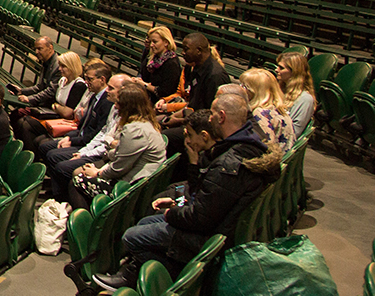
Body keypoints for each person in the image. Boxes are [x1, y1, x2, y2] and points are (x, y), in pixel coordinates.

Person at [92, 95, 278, 290]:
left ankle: (155, 280)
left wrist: (172, 213)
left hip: (208, 237)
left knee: (131, 236)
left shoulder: (228, 163)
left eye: (212, 114)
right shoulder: (250, 145)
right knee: (146, 222)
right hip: (214, 226)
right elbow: (207, 198)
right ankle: (133, 272)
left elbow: (201, 218)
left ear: (221, 117)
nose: (210, 118)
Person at [66, 84, 166, 210]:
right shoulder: (145, 122)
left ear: (127, 106)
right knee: (81, 171)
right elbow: (120, 155)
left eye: (119, 103)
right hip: (132, 178)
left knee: (77, 181)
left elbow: (119, 167)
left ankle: (91, 227)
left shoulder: (135, 130)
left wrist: (97, 173)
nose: (116, 106)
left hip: (130, 188)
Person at [43, 74, 133, 199]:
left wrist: (87, 156)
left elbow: (114, 153)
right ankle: (57, 194)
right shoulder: (114, 107)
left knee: (63, 166)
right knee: (49, 151)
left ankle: (61, 200)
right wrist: (83, 152)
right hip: (97, 150)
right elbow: (103, 135)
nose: (107, 90)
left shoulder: (128, 119)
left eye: (111, 88)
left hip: (105, 158)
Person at [160, 33, 232, 172]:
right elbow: (193, 104)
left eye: (186, 49)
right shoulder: (197, 68)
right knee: (158, 121)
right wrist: (176, 116)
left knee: (168, 137)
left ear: (198, 50)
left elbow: (210, 115)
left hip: (206, 130)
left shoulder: (214, 76)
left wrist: (181, 122)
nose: (183, 53)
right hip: (194, 120)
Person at [33, 65, 114, 160]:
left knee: (52, 154)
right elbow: (82, 127)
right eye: (86, 78)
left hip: (88, 144)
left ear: (102, 80)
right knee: (42, 144)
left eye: (90, 79)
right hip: (80, 136)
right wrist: (69, 137)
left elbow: (95, 134)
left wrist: (72, 141)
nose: (86, 82)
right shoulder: (94, 96)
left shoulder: (107, 103)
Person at [12, 52, 88, 145]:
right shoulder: (63, 80)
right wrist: (57, 106)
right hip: (54, 115)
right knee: (21, 120)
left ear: (72, 66)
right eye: (60, 66)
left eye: (63, 66)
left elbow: (67, 113)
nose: (60, 69)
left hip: (65, 122)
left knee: (26, 124)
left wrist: (56, 106)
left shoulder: (78, 85)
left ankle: (33, 156)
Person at [240, 68, 296, 156]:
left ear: (256, 91)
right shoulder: (277, 108)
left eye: (244, 86)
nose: (240, 89)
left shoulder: (260, 114)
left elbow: (264, 147)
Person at [275, 52, 316, 136]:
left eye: (281, 68)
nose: (276, 69)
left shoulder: (305, 99)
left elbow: (294, 132)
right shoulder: (279, 89)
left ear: (294, 72)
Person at [139, 26, 183, 102]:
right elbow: (144, 75)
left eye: (155, 42)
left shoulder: (171, 63)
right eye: (151, 42)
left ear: (166, 42)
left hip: (161, 102)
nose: (151, 45)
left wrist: (145, 85)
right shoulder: (153, 57)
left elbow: (165, 92)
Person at [14, 36, 62, 105]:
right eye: (36, 49)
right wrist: (22, 91)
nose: (36, 52)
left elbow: (51, 92)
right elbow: (40, 86)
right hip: (44, 99)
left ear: (50, 48)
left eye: (40, 49)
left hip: (51, 105)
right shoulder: (46, 61)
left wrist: (29, 99)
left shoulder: (58, 67)